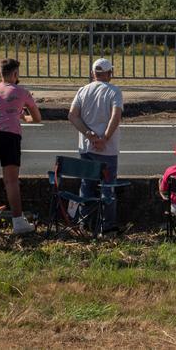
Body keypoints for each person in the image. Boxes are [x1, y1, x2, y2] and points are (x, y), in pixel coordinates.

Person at [0, 58, 41, 235]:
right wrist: (21, 116)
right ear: (15, 74)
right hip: (9, 135)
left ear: (0, 73)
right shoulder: (22, 92)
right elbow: (37, 117)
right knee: (11, 180)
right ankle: (18, 221)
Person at [67, 58, 123, 234]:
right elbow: (116, 116)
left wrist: (89, 134)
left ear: (93, 73)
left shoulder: (83, 90)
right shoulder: (114, 91)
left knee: (87, 185)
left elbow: (72, 115)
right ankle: (107, 226)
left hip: (86, 146)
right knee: (108, 187)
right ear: (109, 74)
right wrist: (104, 137)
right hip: (108, 148)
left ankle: (85, 223)